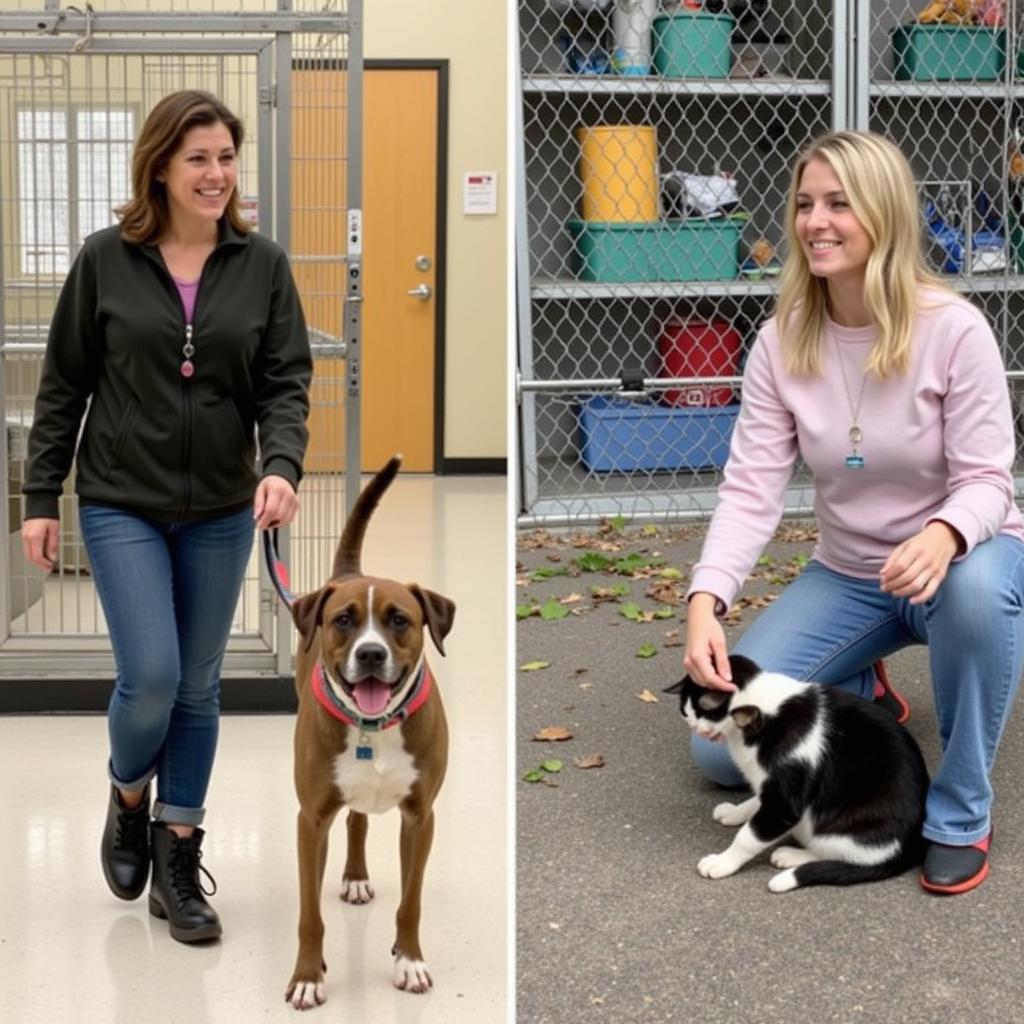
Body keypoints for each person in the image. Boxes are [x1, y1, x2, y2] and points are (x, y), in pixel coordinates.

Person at [682, 130, 1024, 895]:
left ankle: (962, 809)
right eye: (804, 204)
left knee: (976, 595)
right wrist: (706, 599)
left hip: (961, 560)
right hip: (850, 575)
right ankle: (862, 694)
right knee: (717, 751)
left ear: (885, 216)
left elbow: (988, 481)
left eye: (839, 203)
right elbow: (750, 489)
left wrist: (942, 535)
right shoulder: (781, 341)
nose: (815, 221)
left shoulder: (954, 329)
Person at [20, 90, 312, 940]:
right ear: (160, 165)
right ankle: (128, 795)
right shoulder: (105, 259)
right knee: (149, 674)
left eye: (227, 157)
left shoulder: (262, 265)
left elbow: (285, 381)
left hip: (223, 504)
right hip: (120, 499)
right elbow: (63, 383)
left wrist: (283, 465)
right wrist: (42, 498)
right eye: (199, 159)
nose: (217, 174)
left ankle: (177, 857)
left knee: (197, 684)